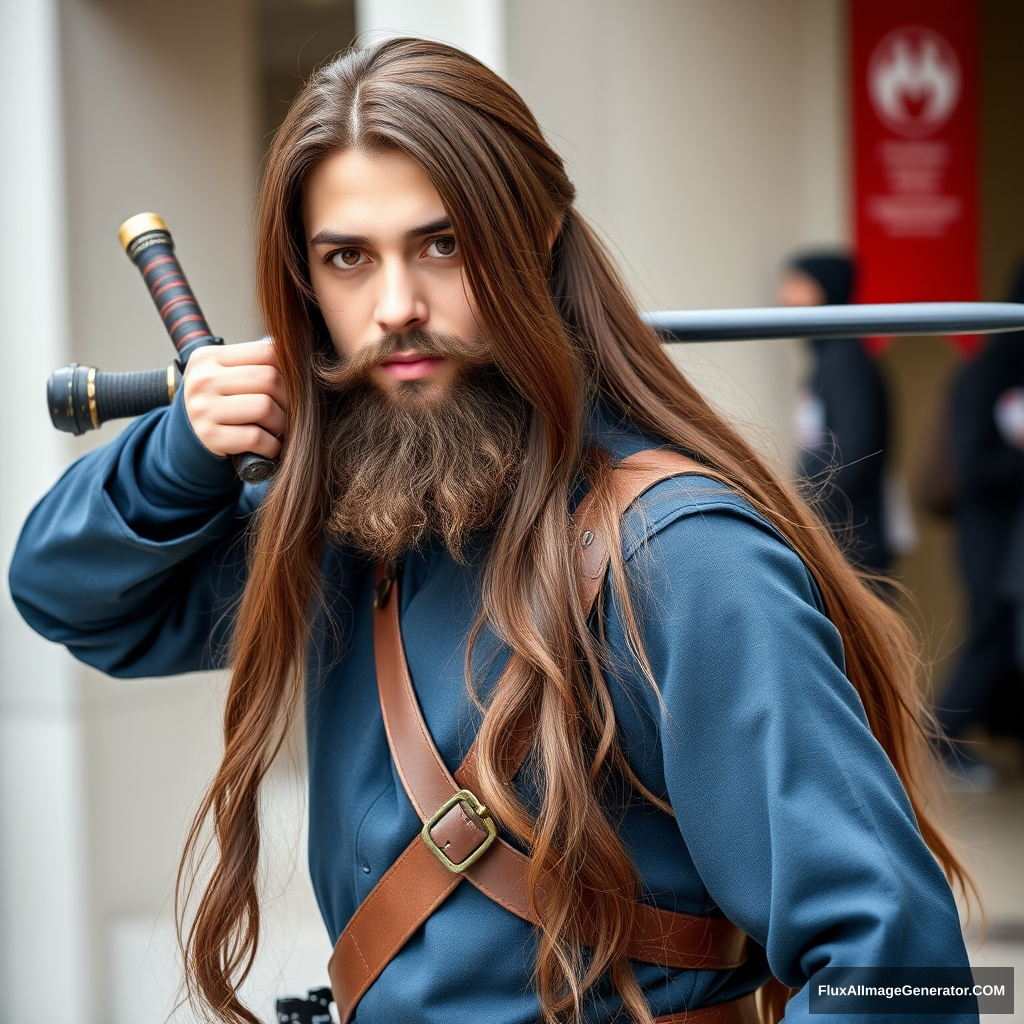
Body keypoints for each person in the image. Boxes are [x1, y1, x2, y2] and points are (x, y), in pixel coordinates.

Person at [9, 39, 974, 1024]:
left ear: (539, 234)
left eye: (442, 244)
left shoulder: (682, 555)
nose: (396, 307)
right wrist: (180, 454)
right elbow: (70, 597)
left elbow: (901, 972)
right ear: (305, 285)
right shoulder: (360, 516)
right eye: (348, 257)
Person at [938, 264, 1024, 763]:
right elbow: (974, 463)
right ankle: (943, 739)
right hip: (988, 531)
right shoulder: (989, 370)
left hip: (1007, 532)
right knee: (991, 631)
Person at [780, 253, 891, 573]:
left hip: (851, 542)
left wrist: (807, 519)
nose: (784, 298)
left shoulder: (843, 359)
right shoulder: (831, 356)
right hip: (840, 536)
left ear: (825, 291)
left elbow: (853, 448)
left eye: (797, 285)